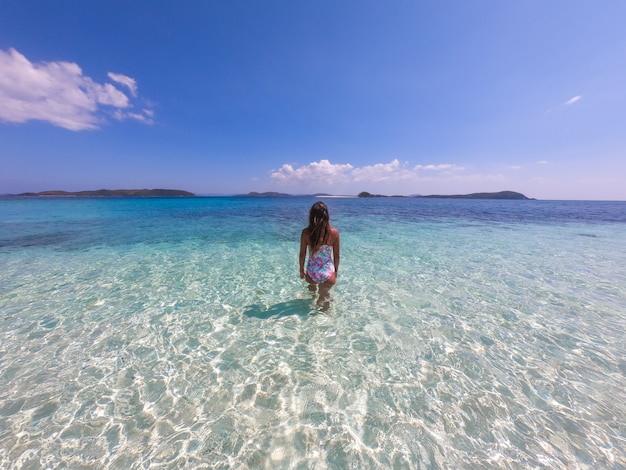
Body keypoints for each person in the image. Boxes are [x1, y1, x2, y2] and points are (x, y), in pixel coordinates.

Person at [299, 201, 340, 304]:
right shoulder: (334, 233)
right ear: (327, 216)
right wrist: (335, 271)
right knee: (324, 296)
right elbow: (336, 256)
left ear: (311, 216)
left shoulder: (306, 233)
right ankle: (323, 316)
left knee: (312, 291)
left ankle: (310, 311)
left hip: (312, 271)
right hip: (328, 271)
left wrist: (301, 269)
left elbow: (302, 254)